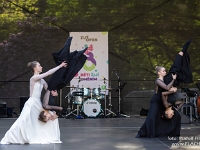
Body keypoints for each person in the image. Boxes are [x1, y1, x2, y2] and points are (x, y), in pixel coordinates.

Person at [136, 40, 192, 138]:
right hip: (156, 101)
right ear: (159, 73)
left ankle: (172, 132)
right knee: (152, 117)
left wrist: (173, 87)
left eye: (165, 70)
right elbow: (166, 88)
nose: (165, 71)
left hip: (164, 101)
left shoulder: (166, 79)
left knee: (177, 116)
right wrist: (172, 88)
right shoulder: (158, 80)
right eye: (163, 71)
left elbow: (171, 79)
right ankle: (144, 133)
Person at [0, 60, 67, 144]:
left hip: (38, 103)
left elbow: (48, 89)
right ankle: (12, 137)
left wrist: (54, 93)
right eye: (39, 66)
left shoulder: (42, 80)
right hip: (31, 103)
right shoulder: (34, 78)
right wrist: (59, 66)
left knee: (51, 117)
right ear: (35, 68)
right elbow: (48, 73)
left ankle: (48, 136)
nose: (41, 67)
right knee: (23, 121)